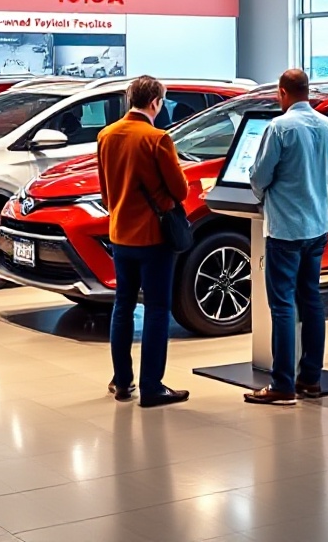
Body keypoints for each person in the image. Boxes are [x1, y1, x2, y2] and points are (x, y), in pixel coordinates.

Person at [245, 68, 328, 406]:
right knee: (311, 300)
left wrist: (259, 188)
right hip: (317, 227)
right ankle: (311, 379)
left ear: (283, 93)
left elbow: (260, 176)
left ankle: (283, 385)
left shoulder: (280, 127)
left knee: (282, 305)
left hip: (286, 228)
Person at [97, 75, 190, 408]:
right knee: (156, 309)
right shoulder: (158, 138)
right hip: (153, 238)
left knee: (122, 306)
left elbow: (106, 192)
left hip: (120, 233)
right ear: (155, 103)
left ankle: (122, 381)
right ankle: (152, 386)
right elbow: (180, 190)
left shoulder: (106, 135)